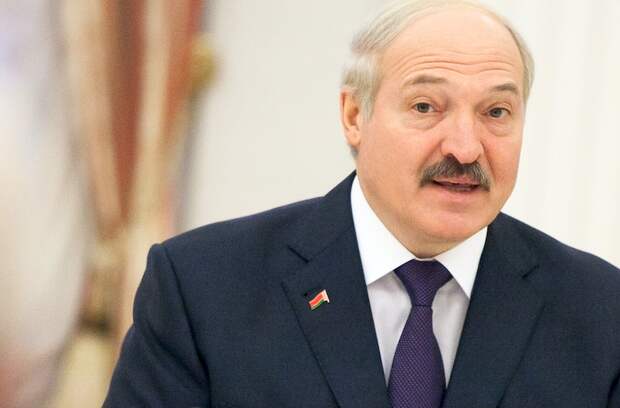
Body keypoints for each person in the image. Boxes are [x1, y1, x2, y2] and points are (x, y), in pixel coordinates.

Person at [104, 1, 620, 407]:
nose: (466, 148)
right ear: (355, 116)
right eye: (426, 106)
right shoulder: (204, 286)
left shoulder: (601, 313)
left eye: (497, 112)